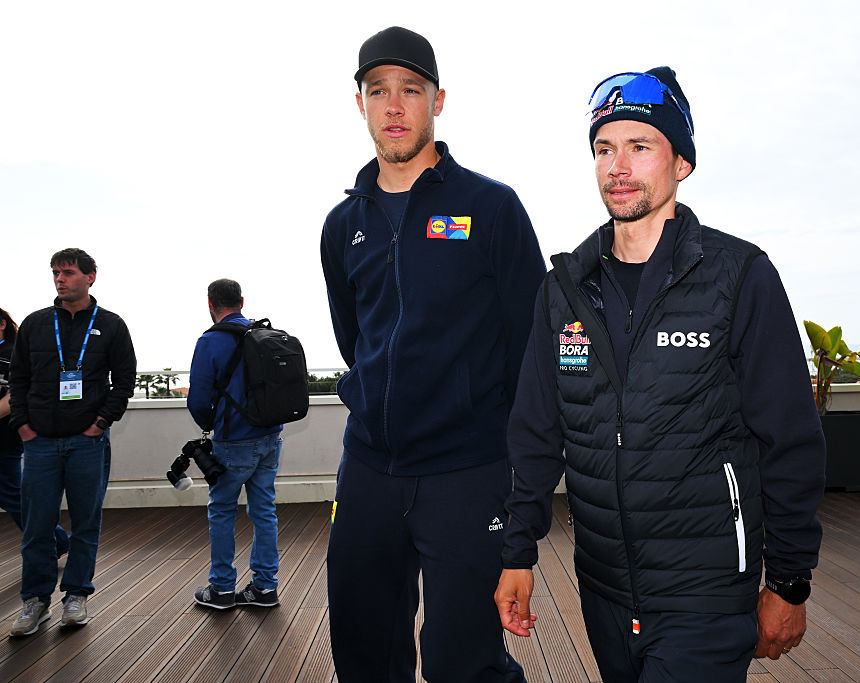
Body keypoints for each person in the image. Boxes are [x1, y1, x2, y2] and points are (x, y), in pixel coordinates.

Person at [494, 68, 826, 682]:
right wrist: (517, 551)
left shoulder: (739, 276)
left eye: (639, 146)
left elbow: (791, 439)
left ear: (681, 164)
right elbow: (536, 432)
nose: (617, 165)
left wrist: (788, 580)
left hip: (705, 593)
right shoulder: (565, 290)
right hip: (604, 591)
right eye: (604, 148)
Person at [320, 26, 545, 682]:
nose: (394, 105)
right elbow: (354, 338)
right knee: (364, 653)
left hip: (467, 471)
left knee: (464, 661)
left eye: (410, 90)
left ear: (438, 101)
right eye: (378, 90)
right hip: (368, 470)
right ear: (358, 103)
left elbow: (530, 343)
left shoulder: (490, 207)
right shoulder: (343, 224)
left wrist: (511, 466)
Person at [7, 248, 136, 636]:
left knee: (85, 524)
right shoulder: (34, 324)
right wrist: (23, 427)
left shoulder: (111, 325)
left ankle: (76, 596)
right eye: (55, 273)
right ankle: (36, 601)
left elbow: (124, 382)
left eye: (68, 272)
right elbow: (18, 380)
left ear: (90, 277)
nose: (60, 279)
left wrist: (99, 424)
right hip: (40, 443)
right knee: (36, 525)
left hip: (87, 443)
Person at [187, 279, 283, 610]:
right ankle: (265, 588)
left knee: (223, 510)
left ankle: (223, 589)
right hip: (270, 437)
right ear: (241, 301)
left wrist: (209, 425)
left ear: (210, 304)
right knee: (264, 510)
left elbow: (198, 399)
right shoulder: (264, 334)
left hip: (234, 442)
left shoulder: (210, 341)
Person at [0, 307, 70, 554]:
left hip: (5, 439)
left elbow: (15, 395)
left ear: (2, 325)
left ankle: (58, 542)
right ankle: (58, 541)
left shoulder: (9, 354)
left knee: (13, 496)